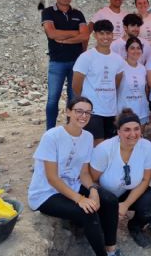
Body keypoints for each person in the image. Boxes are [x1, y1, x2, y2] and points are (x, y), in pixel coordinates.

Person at [28, 97, 121, 256]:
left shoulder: (88, 137)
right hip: (47, 193)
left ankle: (111, 249)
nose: (83, 116)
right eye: (79, 111)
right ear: (68, 112)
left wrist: (92, 189)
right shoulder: (52, 137)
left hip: (73, 184)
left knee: (110, 200)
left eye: (88, 112)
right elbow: (52, 178)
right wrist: (80, 199)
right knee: (88, 211)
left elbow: (83, 173)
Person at [90, 109, 151, 249]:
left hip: (128, 191)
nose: (133, 134)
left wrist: (126, 204)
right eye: (127, 130)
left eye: (136, 129)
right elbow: (92, 180)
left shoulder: (147, 147)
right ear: (118, 132)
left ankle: (135, 226)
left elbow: (146, 180)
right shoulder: (104, 149)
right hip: (105, 193)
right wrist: (109, 206)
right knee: (101, 227)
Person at [41, 0, 89, 130]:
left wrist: (63, 38)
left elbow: (85, 35)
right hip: (57, 62)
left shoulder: (78, 14)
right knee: (52, 99)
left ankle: (71, 128)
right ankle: (50, 131)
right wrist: (75, 33)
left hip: (76, 62)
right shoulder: (48, 12)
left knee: (74, 99)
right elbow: (51, 33)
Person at [72, 20, 126, 145]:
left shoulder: (118, 59)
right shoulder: (86, 57)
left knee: (110, 144)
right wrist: (85, 105)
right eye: (101, 33)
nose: (105, 37)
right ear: (95, 35)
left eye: (108, 33)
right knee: (97, 145)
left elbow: (116, 83)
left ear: (112, 35)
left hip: (111, 110)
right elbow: (76, 85)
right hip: (93, 111)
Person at [116, 37, 150, 127]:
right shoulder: (120, 66)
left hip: (141, 111)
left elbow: (145, 90)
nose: (136, 51)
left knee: (140, 139)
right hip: (124, 112)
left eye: (138, 48)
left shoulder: (143, 68)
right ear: (126, 50)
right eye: (132, 48)